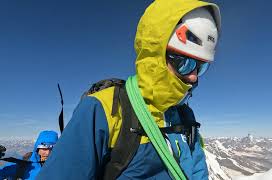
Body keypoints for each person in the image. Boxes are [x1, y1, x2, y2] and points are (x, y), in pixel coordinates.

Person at [37, 0, 221, 179]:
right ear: (155, 54)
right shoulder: (104, 109)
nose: (194, 76)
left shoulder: (185, 116)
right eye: (185, 63)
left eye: (200, 66)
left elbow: (197, 171)